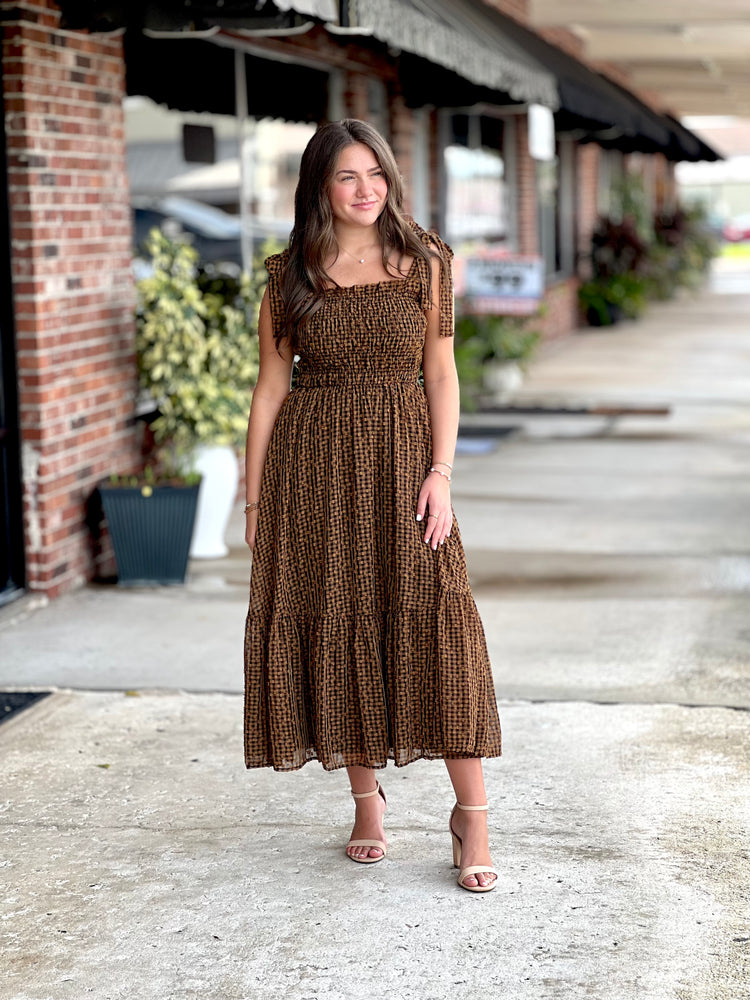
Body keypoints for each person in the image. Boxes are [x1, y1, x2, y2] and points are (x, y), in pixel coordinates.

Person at [243, 119, 502, 893]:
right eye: (348, 177)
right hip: (311, 470)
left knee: (439, 622)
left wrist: (442, 471)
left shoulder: (424, 261)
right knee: (336, 619)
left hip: (404, 463)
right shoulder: (290, 274)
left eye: (377, 175)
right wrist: (256, 501)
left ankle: (473, 816)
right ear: (321, 187)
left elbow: (443, 374)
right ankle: (366, 804)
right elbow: (269, 389)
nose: (366, 191)